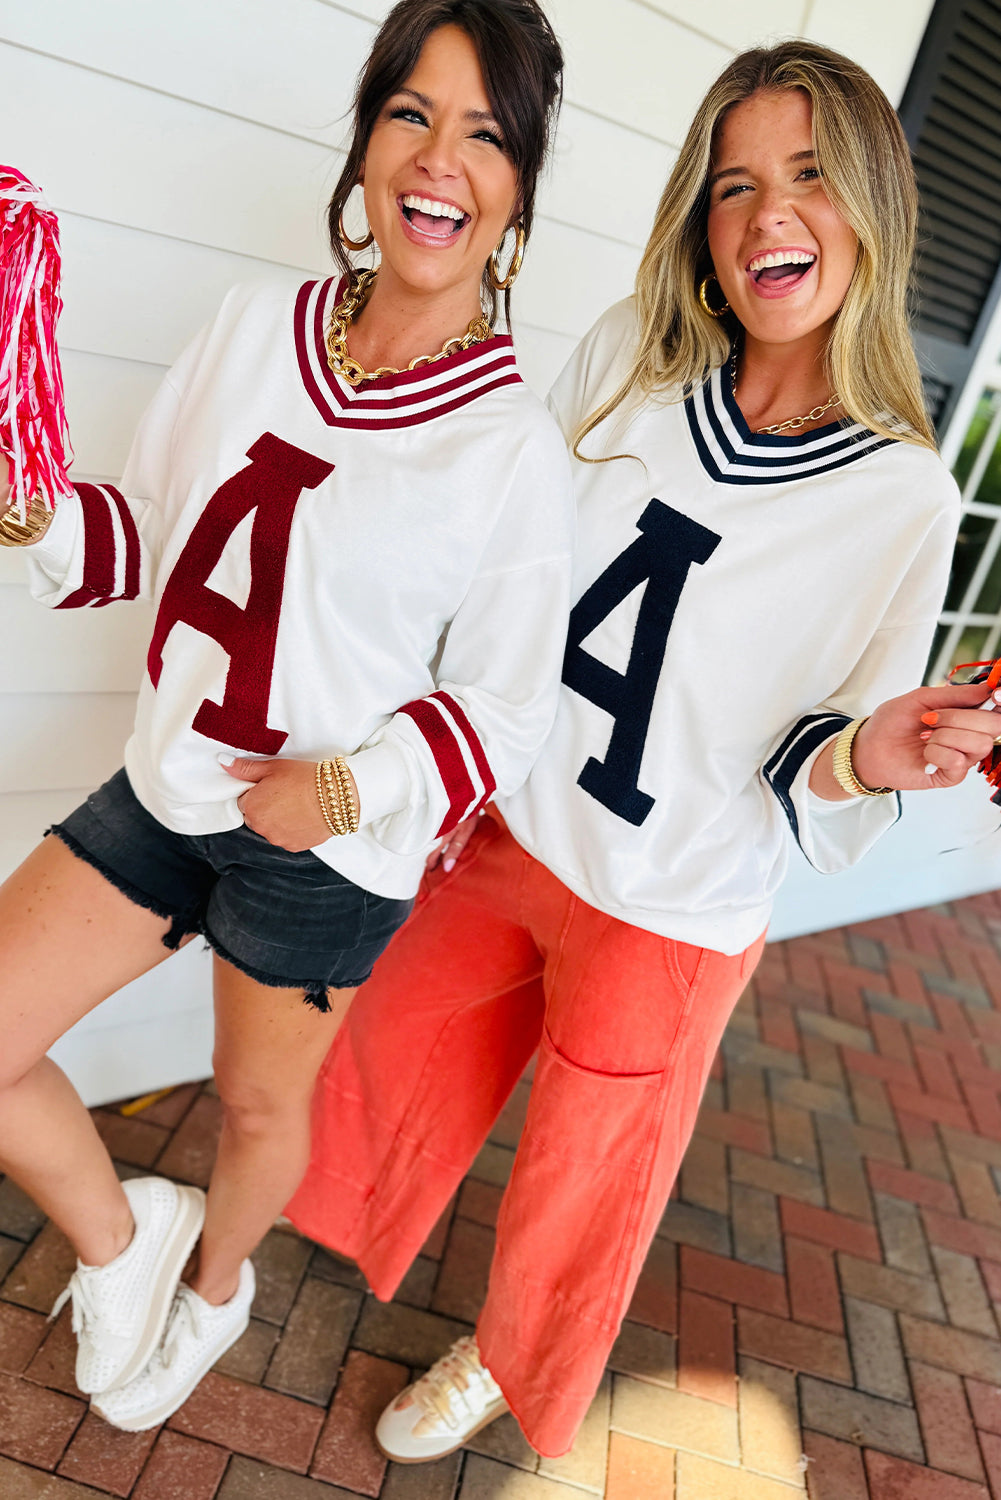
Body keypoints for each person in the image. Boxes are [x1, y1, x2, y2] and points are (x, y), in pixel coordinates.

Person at [286, 40, 1001, 1463]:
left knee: (581, 1180)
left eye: (806, 177)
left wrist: (882, 753)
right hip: (516, 827)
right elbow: (506, 563)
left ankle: (506, 1358)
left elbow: (815, 755)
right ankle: (302, 1224)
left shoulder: (903, 493)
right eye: (731, 185)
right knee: (392, 1053)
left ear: (870, 202)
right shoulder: (627, 353)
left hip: (669, 905)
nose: (763, 219)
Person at [0, 0, 570, 1433]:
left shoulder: (509, 449)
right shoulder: (255, 326)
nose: (440, 159)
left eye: (485, 135)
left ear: (517, 188)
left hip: (321, 851)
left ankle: (217, 1290)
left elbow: (503, 704)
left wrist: (338, 793)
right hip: (169, 785)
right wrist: (37, 513)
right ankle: (125, 1243)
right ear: (369, 137)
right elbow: (150, 540)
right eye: (411, 114)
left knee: (260, 1114)